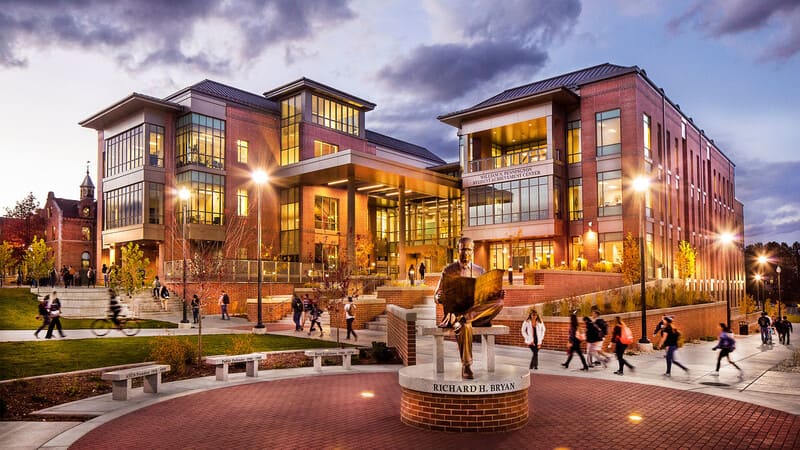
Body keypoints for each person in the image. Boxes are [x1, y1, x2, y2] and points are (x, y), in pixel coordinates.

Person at [434, 236, 504, 379]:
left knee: (499, 302)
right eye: (462, 250)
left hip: (476, 314)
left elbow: (486, 296)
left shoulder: (480, 270)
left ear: (472, 251)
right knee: (465, 326)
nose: (465, 253)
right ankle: (466, 366)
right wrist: (438, 297)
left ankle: (465, 318)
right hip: (456, 314)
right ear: (458, 251)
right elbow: (436, 295)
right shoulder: (448, 270)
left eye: (468, 250)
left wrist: (497, 294)